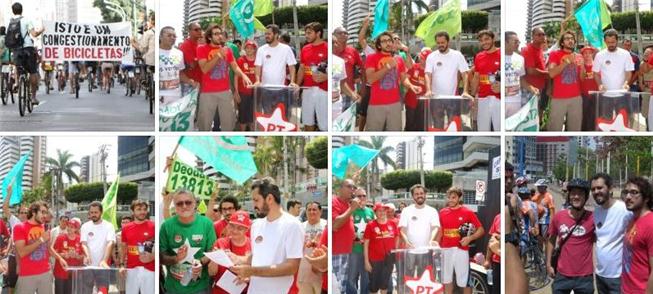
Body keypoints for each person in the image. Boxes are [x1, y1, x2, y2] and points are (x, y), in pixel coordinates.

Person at [230, 178, 304, 293]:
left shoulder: (292, 225)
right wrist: (237, 259)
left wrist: (252, 271)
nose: (254, 205)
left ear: (269, 198)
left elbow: (292, 267)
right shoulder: (256, 225)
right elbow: (256, 257)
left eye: (256, 200)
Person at [196, 24, 252, 131]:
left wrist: (243, 75)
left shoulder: (228, 50)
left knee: (229, 124)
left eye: (220, 33)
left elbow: (235, 67)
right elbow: (204, 69)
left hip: (225, 92)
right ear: (209, 37)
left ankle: (227, 144)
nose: (220, 36)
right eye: (216, 34)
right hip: (207, 93)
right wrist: (218, 55)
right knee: (204, 125)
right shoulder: (201, 49)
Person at [160, 188, 216, 294]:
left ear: (195, 203)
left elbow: (212, 251)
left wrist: (200, 262)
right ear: (174, 206)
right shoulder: (166, 226)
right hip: (173, 289)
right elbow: (161, 257)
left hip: (200, 288)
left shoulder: (207, 224)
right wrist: (176, 258)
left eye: (188, 202)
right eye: (179, 203)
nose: (184, 206)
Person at [546, 178, 595, 293]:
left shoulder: (593, 218)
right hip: (562, 275)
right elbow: (551, 240)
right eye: (573, 193)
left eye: (580, 194)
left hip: (585, 277)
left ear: (586, 197)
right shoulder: (559, 217)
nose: (576, 197)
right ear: (569, 196)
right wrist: (548, 264)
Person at [365, 31, 420, 131]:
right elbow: (370, 79)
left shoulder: (399, 59)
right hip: (376, 104)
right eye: (384, 41)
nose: (388, 43)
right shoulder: (371, 57)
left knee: (395, 132)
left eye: (389, 40)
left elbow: (404, 78)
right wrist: (388, 67)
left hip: (395, 104)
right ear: (379, 45)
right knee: (373, 132)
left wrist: (411, 86)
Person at [590, 173, 632, 294]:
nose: (596, 191)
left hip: (618, 276)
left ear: (610, 188)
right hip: (600, 274)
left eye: (600, 188)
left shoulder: (624, 209)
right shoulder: (596, 212)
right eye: (593, 189)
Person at [439, 186, 484, 294]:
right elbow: (440, 231)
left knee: (465, 282)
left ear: (459, 198)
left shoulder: (467, 212)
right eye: (449, 197)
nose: (450, 200)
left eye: (453, 197)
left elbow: (481, 230)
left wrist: (470, 238)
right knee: (446, 280)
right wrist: (436, 245)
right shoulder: (442, 212)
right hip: (445, 251)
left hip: (461, 251)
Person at [423, 31, 471, 130]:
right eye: (438, 43)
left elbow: (465, 74)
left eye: (442, 43)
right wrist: (428, 90)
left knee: (453, 125)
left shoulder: (457, 55)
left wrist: (465, 91)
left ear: (448, 42)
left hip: (453, 98)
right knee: (437, 125)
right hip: (435, 98)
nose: (440, 45)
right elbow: (428, 74)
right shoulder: (431, 56)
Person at [398, 184, 440, 289]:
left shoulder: (432, 211)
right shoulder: (406, 210)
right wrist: (406, 241)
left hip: (426, 252)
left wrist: (431, 240)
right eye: (416, 194)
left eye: (421, 193)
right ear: (413, 196)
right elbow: (402, 230)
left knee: (425, 282)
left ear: (425, 194)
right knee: (408, 281)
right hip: (410, 252)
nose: (419, 195)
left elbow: (435, 227)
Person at [7, 2, 45, 105]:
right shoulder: (26, 20)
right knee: (33, 72)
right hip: (28, 48)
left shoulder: (9, 22)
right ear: (22, 10)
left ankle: (18, 83)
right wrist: (42, 30)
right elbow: (34, 34)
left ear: (13, 11)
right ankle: (33, 97)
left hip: (16, 50)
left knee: (18, 68)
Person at [621, 177, 653, 293]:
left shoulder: (650, 224)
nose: (628, 197)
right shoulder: (632, 219)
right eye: (626, 192)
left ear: (647, 198)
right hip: (626, 289)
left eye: (634, 193)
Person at [208, 211, 252, 294]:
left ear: (246, 229)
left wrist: (249, 277)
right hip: (220, 291)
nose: (235, 231)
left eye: (240, 228)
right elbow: (211, 272)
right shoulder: (220, 243)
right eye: (232, 226)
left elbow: (259, 272)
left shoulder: (253, 245)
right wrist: (215, 259)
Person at [547, 30, 583, 131]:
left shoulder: (579, 56)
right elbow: (551, 73)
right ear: (562, 43)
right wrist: (566, 61)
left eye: (572, 39)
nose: (570, 41)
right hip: (559, 98)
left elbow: (582, 78)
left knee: (575, 130)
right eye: (567, 39)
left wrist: (583, 66)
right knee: (554, 129)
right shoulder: (554, 54)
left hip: (576, 98)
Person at [13, 201, 51, 294]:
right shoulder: (19, 227)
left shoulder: (43, 227)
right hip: (27, 274)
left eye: (46, 212)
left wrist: (60, 259)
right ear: (34, 212)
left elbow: (48, 249)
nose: (45, 215)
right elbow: (22, 252)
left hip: (45, 273)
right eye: (42, 212)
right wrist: (41, 240)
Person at [119, 199, 155, 294]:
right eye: (139, 209)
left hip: (150, 269)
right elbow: (123, 248)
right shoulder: (126, 228)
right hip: (131, 269)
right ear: (133, 211)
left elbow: (159, 246)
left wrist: (153, 256)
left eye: (144, 209)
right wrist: (122, 265)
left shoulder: (153, 226)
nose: (142, 212)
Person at [297, 22, 328, 131]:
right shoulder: (305, 48)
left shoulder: (328, 47)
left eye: (309, 33)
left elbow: (337, 69)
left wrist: (327, 76)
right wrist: (297, 85)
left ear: (318, 33)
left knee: (324, 125)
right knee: (307, 122)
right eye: (306, 33)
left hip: (324, 91)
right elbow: (301, 69)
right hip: (307, 89)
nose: (306, 35)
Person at [80, 201, 116, 294]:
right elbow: (84, 243)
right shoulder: (85, 226)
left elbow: (110, 243)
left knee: (103, 291)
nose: (93, 215)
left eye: (96, 212)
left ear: (101, 212)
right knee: (86, 291)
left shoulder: (109, 226)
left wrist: (104, 260)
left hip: (102, 267)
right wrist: (87, 256)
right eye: (91, 212)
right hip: (88, 266)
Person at [363, 203, 397, 294]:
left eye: (384, 210)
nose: (382, 213)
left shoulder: (392, 223)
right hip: (375, 260)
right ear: (375, 212)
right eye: (379, 211)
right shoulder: (370, 225)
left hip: (389, 259)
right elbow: (366, 244)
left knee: (384, 285)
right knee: (374, 286)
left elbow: (397, 237)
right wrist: (366, 262)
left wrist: (395, 251)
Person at [471, 30, 501, 131]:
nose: (484, 42)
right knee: (482, 130)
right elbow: (476, 77)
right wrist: (472, 96)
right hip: (483, 98)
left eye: (487, 39)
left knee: (499, 129)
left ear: (493, 39)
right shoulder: (479, 56)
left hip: (499, 99)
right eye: (481, 40)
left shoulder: (502, 54)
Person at [254, 24, 298, 91]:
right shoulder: (261, 49)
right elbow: (257, 67)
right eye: (265, 34)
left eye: (269, 34)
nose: (266, 36)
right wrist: (257, 81)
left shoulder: (286, 49)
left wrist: (292, 82)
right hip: (265, 89)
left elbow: (292, 67)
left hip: (281, 88)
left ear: (276, 35)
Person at [346, 188, 374, 294]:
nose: (362, 198)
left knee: (366, 276)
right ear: (354, 198)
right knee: (352, 276)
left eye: (364, 195)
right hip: (354, 249)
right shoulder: (350, 210)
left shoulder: (370, 211)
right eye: (359, 196)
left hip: (368, 250)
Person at [332, 179, 358, 292]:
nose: (352, 189)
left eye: (354, 187)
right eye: (349, 186)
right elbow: (335, 225)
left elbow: (346, 227)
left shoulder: (348, 204)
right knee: (337, 287)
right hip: (336, 252)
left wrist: (354, 238)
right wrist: (352, 209)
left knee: (342, 286)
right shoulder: (334, 201)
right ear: (340, 188)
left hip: (346, 251)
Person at [505, 31, 539, 117]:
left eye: (518, 42)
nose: (518, 44)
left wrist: (531, 88)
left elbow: (521, 79)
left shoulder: (520, 59)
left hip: (516, 100)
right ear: (505, 42)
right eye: (515, 41)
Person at [160, 26, 196, 106]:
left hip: (175, 95)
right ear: (161, 37)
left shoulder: (179, 53)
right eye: (169, 35)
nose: (172, 38)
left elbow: (180, 73)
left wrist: (192, 82)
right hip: (160, 95)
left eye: (174, 36)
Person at [332, 27, 363, 112]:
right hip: (333, 94)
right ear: (333, 35)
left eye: (345, 33)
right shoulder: (329, 52)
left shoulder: (352, 51)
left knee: (347, 123)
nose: (343, 35)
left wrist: (361, 86)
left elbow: (362, 68)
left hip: (349, 92)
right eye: (340, 33)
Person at [298, 202, 327, 294]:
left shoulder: (326, 225)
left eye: (314, 209)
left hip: (321, 273)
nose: (311, 212)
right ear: (305, 212)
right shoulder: (300, 227)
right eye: (309, 210)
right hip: (303, 273)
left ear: (320, 211)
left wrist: (318, 243)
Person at [522, 27, 550, 121]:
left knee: (539, 113)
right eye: (539, 34)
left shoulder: (540, 49)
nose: (542, 36)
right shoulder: (528, 49)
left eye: (543, 34)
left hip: (541, 88)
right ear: (533, 36)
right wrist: (548, 74)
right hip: (530, 89)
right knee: (530, 117)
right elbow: (531, 71)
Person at [51, 218, 84, 294]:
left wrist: (77, 256)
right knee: (59, 291)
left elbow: (83, 255)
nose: (69, 228)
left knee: (70, 291)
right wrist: (63, 255)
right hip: (60, 272)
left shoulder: (80, 239)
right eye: (68, 226)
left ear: (76, 229)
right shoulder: (60, 238)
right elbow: (52, 252)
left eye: (72, 227)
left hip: (73, 273)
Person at [404, 48, 430, 131]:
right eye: (421, 57)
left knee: (421, 125)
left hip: (423, 104)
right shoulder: (414, 67)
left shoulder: (430, 72)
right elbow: (406, 78)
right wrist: (410, 86)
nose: (422, 60)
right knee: (409, 124)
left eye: (424, 58)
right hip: (410, 101)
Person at [235, 40, 258, 131]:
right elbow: (236, 77)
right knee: (243, 117)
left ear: (255, 50)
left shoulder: (258, 60)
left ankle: (253, 135)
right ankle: (243, 136)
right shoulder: (240, 60)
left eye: (251, 48)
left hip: (255, 92)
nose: (249, 50)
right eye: (247, 48)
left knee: (253, 117)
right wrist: (236, 92)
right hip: (243, 92)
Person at [179, 22, 203, 95]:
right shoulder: (186, 45)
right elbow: (192, 65)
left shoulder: (200, 44)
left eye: (200, 29)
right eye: (196, 29)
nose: (199, 31)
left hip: (200, 82)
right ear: (189, 31)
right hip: (190, 84)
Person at [579, 46, 599, 131]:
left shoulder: (597, 66)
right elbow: (581, 79)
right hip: (583, 95)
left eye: (589, 53)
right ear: (582, 55)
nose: (587, 55)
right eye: (585, 53)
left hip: (594, 95)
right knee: (584, 116)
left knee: (594, 116)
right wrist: (582, 66)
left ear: (592, 54)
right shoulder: (580, 66)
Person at [484, 214, 501, 294]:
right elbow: (491, 240)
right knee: (496, 289)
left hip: (508, 261)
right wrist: (487, 259)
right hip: (497, 262)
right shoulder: (498, 217)